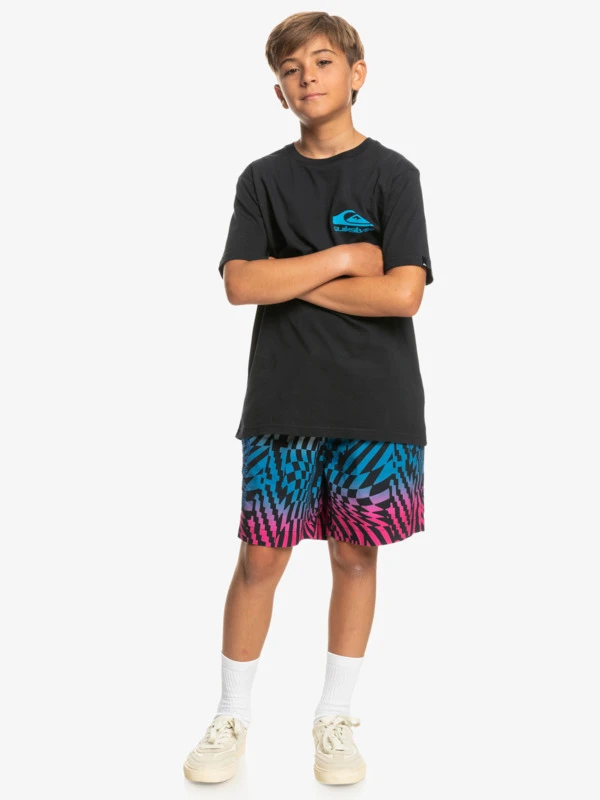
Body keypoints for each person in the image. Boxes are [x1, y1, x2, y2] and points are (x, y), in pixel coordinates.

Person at [183, 10, 433, 786]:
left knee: (355, 554)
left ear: (357, 74)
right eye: (290, 70)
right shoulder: (262, 179)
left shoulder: (394, 175)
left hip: (376, 402)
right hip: (284, 400)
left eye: (322, 62)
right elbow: (239, 284)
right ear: (278, 91)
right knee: (262, 555)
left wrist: (290, 279)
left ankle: (335, 719)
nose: (307, 78)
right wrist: (345, 259)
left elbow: (403, 296)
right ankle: (230, 716)